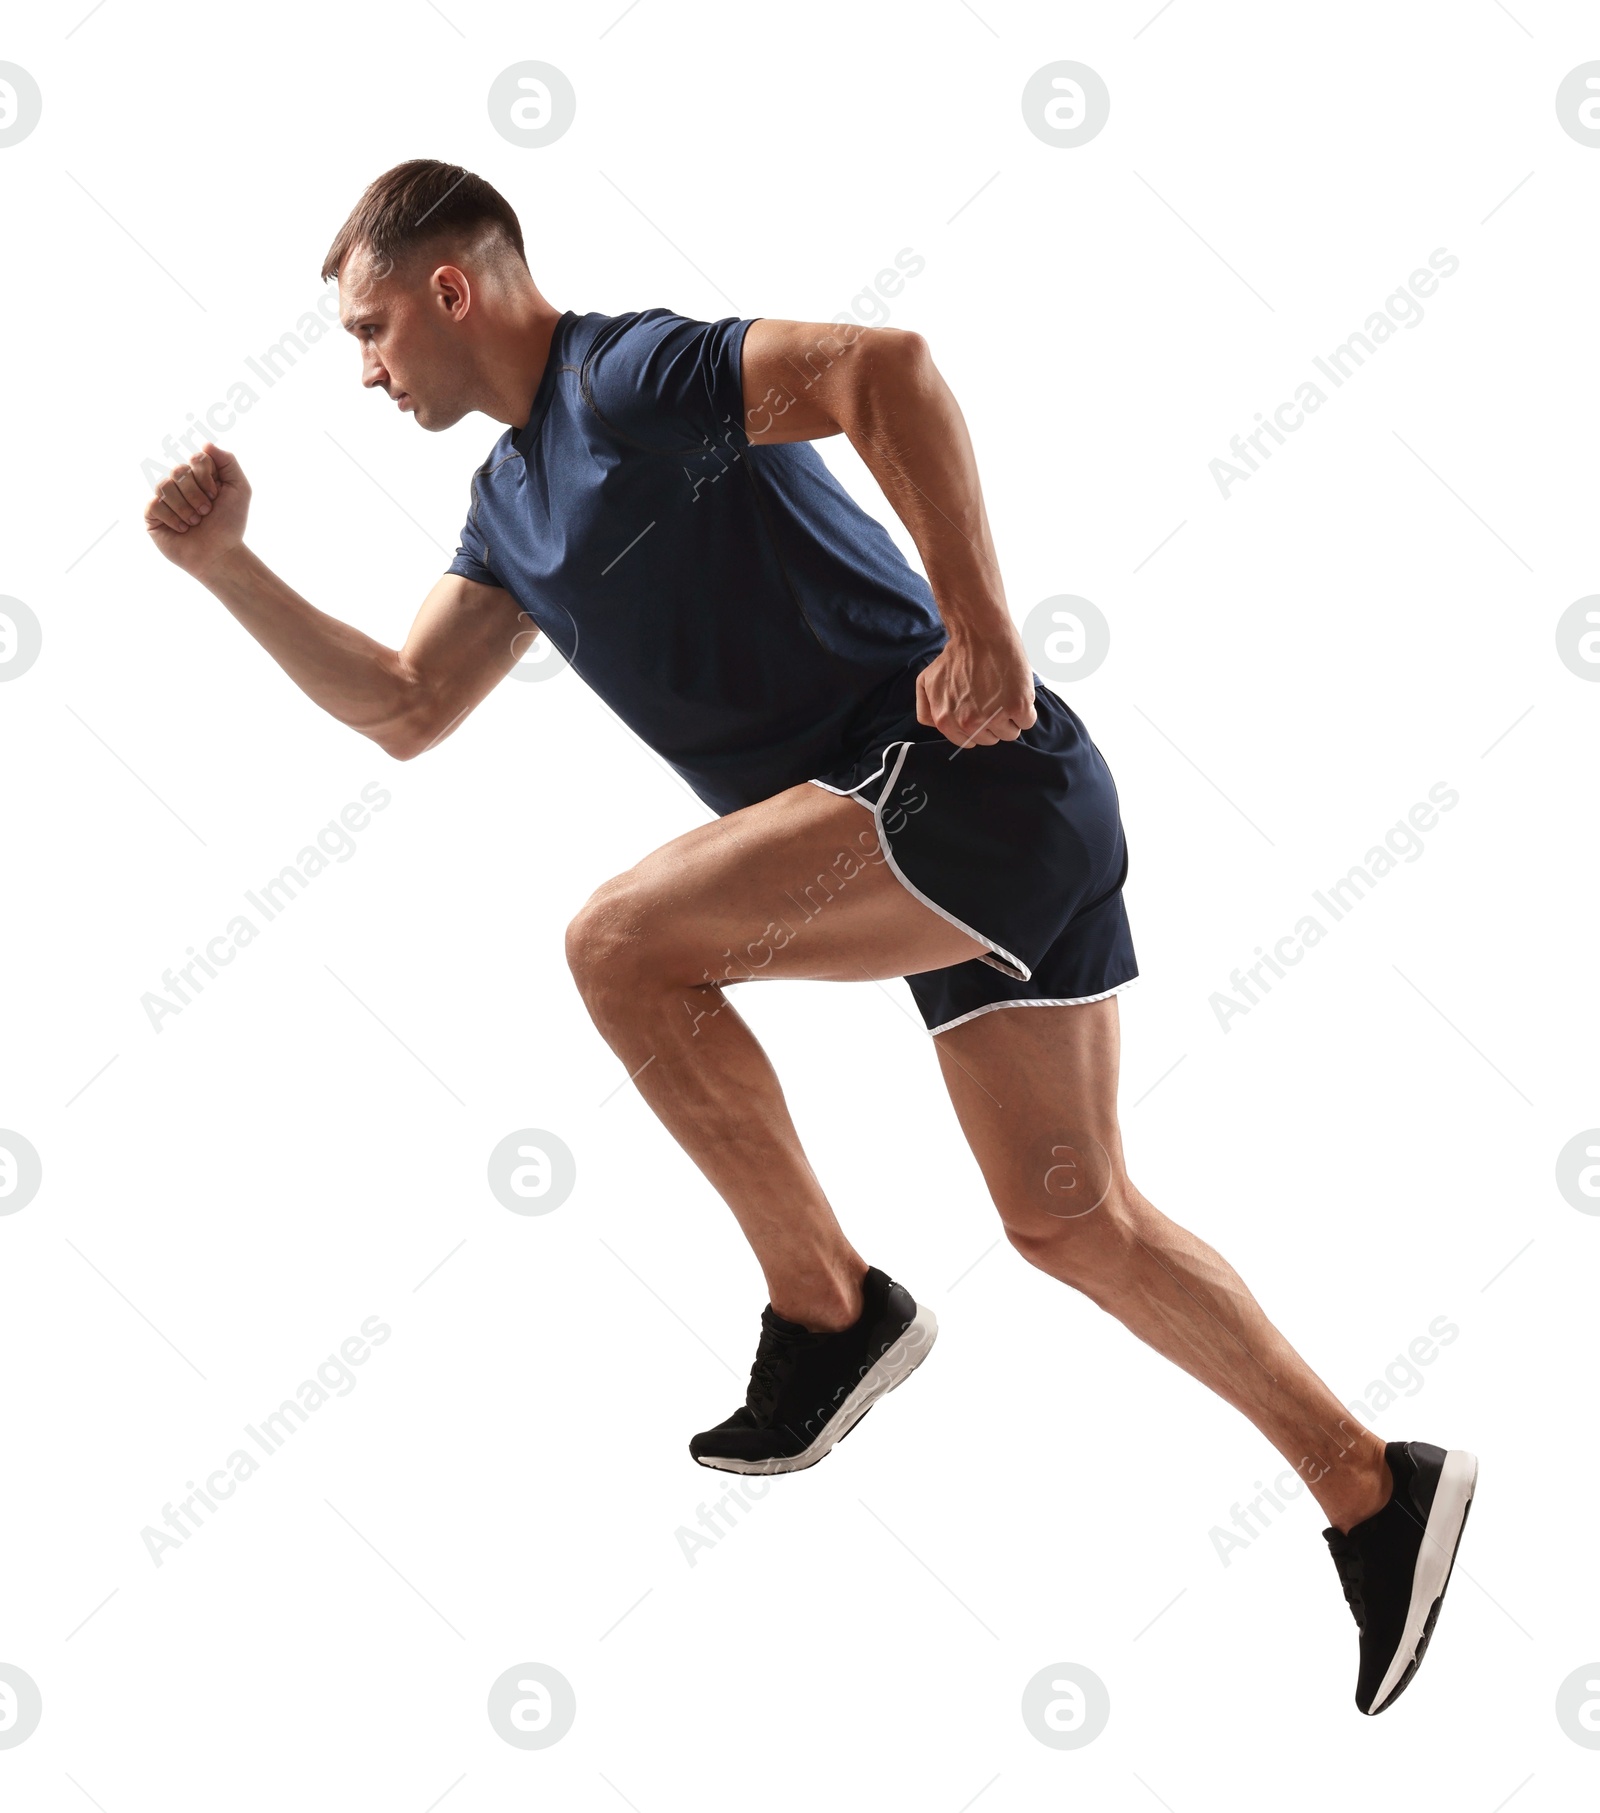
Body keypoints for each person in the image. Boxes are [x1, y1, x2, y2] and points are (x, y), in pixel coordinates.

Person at [142, 158, 1476, 1716]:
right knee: (1074, 1221)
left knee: (619, 943)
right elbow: (404, 703)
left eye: (372, 328)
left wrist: (981, 619)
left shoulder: (628, 375)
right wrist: (228, 566)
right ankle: (1374, 1487)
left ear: (453, 288)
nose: (366, 369)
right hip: (932, 836)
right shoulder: (507, 506)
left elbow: (879, 368)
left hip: (961, 775)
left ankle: (830, 1309)